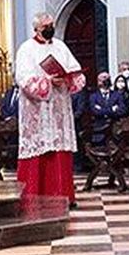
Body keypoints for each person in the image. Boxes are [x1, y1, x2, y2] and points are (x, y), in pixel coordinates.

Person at [12, 13, 85, 215]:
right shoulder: (26, 49)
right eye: (46, 25)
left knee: (60, 152)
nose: (50, 28)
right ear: (36, 29)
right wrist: (46, 80)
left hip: (59, 109)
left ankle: (64, 196)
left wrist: (67, 79)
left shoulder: (61, 47)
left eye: (51, 25)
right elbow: (23, 78)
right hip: (37, 111)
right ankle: (33, 196)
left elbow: (76, 72)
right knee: (38, 152)